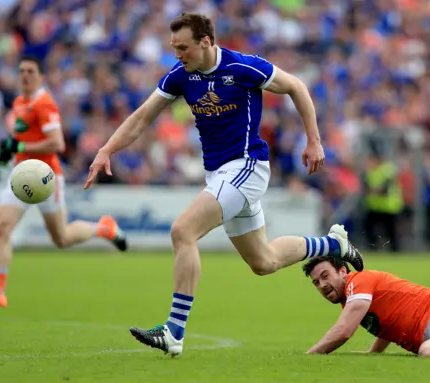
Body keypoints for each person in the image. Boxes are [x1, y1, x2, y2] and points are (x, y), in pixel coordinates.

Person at [83, 12, 363, 357]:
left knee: (182, 231)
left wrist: (314, 141)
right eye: (174, 47)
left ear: (205, 42)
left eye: (183, 47)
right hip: (220, 176)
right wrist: (106, 149)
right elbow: (143, 117)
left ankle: (173, 332)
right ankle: (332, 244)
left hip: (247, 167)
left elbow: (296, 86)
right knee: (264, 262)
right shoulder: (181, 76)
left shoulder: (243, 67)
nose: (177, 54)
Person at [0, 56, 127, 308]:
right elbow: (20, 138)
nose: (25, 75)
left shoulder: (44, 103)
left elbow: (57, 143)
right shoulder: (18, 102)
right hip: (21, 174)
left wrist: (21, 145)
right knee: (2, 227)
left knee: (62, 238)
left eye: (31, 71)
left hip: (46, 177)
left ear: (40, 77)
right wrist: (10, 149)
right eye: (22, 71)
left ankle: (105, 228)